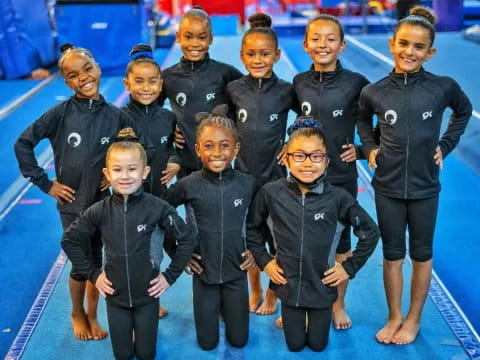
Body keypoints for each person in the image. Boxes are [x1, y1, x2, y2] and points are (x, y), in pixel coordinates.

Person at [357, 6, 472, 345]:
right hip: (387, 186)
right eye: (404, 44)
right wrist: (369, 149)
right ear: (392, 44)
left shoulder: (441, 87)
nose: (410, 52)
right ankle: (394, 316)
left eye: (418, 47)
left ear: (430, 52)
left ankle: (414, 318)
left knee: (421, 253)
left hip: (425, 187)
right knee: (392, 254)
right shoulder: (375, 91)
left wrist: (445, 144)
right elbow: (363, 120)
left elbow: (462, 111)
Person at [14, 43, 139, 341]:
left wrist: (115, 176)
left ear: (97, 67)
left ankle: (93, 314)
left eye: (87, 69)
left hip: (104, 203)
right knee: (81, 264)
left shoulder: (116, 115)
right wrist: (46, 183)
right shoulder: (60, 114)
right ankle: (76, 312)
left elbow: (136, 147)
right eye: (73, 75)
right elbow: (23, 144)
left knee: (99, 261)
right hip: (72, 205)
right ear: (67, 81)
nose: (83, 78)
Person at [247, 116, 379, 352]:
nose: (308, 163)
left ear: (326, 161)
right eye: (299, 155)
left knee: (318, 346)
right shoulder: (271, 193)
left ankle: (323, 314)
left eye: (316, 156)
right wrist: (265, 263)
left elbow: (370, 233)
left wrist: (348, 268)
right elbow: (252, 229)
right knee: (294, 345)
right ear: (287, 159)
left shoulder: (338, 198)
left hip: (322, 289)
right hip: (287, 287)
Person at [61, 128, 195, 360]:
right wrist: (94, 275)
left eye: (132, 169)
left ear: (145, 172)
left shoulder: (157, 208)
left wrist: (170, 276)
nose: (125, 176)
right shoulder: (99, 211)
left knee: (146, 354)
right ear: (107, 173)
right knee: (122, 355)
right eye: (117, 169)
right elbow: (69, 241)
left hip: (147, 298)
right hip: (116, 299)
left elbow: (187, 238)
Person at [290, 14, 370, 330]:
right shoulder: (298, 83)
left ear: (342, 45)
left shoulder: (356, 83)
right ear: (306, 44)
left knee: (339, 242)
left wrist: (364, 151)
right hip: (302, 177)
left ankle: (338, 304)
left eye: (330, 38)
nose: (323, 44)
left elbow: (376, 121)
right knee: (300, 241)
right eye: (317, 38)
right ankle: (296, 301)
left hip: (340, 177)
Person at [164, 105, 257, 350]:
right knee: (207, 343)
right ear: (197, 150)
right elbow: (161, 217)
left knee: (239, 341)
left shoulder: (248, 184)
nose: (217, 152)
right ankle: (212, 309)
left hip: (237, 273)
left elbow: (259, 224)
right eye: (208, 146)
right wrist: (178, 255)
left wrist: (256, 253)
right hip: (203, 275)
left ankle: (228, 309)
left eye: (225, 145)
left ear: (236, 149)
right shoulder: (187, 185)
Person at [226, 12, 294, 316]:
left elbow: (310, 117)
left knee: (277, 241)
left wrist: (294, 139)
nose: (258, 59)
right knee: (248, 238)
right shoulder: (235, 89)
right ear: (242, 56)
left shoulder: (286, 90)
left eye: (265, 54)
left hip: (276, 178)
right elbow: (218, 121)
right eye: (251, 54)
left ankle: (272, 294)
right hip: (242, 177)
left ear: (277, 55)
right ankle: (254, 288)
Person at [122, 43, 180, 318]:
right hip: (128, 203)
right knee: (133, 254)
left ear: (161, 84)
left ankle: (151, 298)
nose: (146, 87)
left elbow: (173, 146)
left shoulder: (168, 117)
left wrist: (174, 160)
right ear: (127, 83)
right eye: (139, 81)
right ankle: (132, 301)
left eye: (153, 81)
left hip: (158, 197)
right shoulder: (119, 117)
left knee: (154, 253)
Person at [159, 5, 243, 179]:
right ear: (178, 37)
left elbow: (249, 101)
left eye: (202, 37)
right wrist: (169, 128)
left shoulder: (225, 73)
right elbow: (152, 113)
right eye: (188, 37)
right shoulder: (168, 77)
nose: (195, 44)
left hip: (218, 162)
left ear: (211, 38)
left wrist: (231, 125)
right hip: (186, 163)